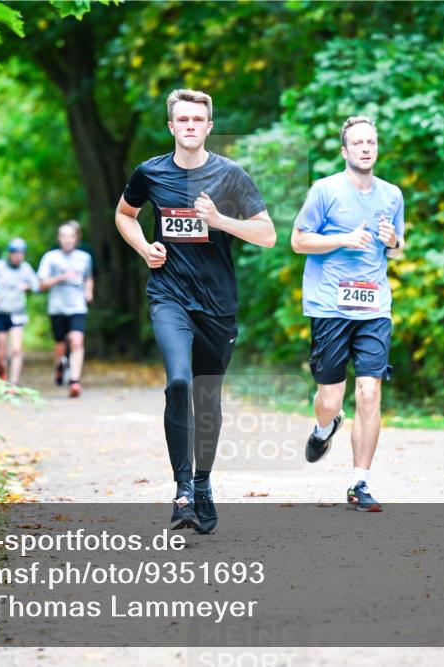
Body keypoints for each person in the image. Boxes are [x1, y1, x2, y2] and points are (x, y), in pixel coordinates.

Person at [115, 88, 275, 533]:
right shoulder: (150, 173)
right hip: (169, 297)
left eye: (196, 120)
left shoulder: (230, 176)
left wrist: (220, 219)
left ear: (209, 127)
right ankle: (182, 490)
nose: (189, 126)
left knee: (207, 397)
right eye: (181, 120)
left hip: (218, 306)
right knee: (179, 382)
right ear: (171, 126)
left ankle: (203, 482)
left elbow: (267, 235)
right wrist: (145, 247)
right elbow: (124, 215)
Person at [290, 115, 405, 512]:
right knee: (331, 398)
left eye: (371, 141)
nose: (366, 148)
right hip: (329, 306)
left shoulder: (392, 195)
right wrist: (343, 239)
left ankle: (360, 483)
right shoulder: (325, 191)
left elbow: (395, 248)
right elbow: (298, 240)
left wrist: (393, 242)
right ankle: (326, 426)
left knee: (370, 391)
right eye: (358, 143)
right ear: (345, 151)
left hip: (375, 306)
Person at [38, 222, 94, 398]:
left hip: (78, 307)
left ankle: (74, 381)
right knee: (60, 345)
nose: (67, 240)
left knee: (77, 341)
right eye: (63, 236)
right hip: (57, 308)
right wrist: (61, 277)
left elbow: (89, 277)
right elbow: (42, 284)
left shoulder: (85, 257)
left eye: (70, 236)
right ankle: (60, 366)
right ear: (59, 238)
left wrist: (89, 291)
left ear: (76, 238)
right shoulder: (50, 258)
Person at [0, 238, 39, 385]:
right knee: (1, 351)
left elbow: (37, 285)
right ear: (9, 253)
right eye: (15, 253)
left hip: (18, 312)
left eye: (21, 253)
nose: (18, 256)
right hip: (0, 312)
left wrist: (28, 286)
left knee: (17, 349)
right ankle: (2, 373)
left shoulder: (26, 269)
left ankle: (14, 382)